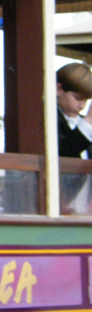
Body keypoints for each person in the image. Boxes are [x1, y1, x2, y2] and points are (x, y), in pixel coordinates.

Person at [56, 62, 92, 211]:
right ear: (59, 89)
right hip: (61, 207)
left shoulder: (84, 125)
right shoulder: (48, 119)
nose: (82, 105)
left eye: (86, 100)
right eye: (77, 98)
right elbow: (65, 150)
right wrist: (88, 123)